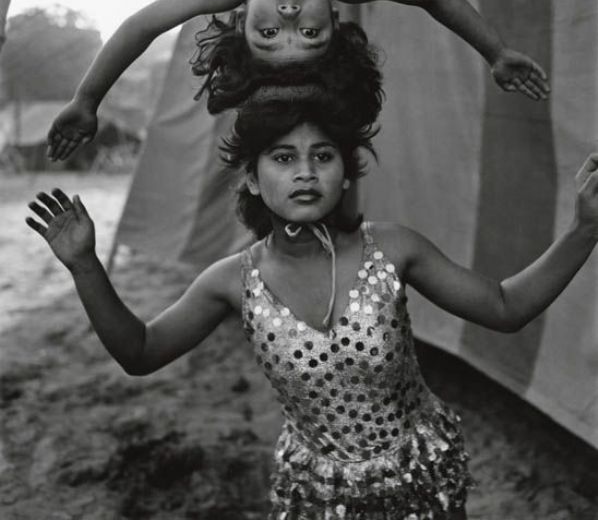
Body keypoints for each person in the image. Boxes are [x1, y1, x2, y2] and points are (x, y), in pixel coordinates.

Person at [28, 99, 598, 518]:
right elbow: (140, 352)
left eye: (322, 156)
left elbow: (505, 306)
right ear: (253, 180)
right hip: (316, 498)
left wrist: (584, 229)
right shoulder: (230, 281)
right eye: (283, 157)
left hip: (422, 480)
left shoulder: (394, 248)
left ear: (344, 174)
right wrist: (85, 266)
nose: (305, 171)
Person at [46, 0, 550, 161]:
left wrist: (87, 100)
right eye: (309, 33)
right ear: (333, 18)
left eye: (268, 34)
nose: (288, 14)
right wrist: (495, 51)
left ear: (242, 21)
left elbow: (141, 26)